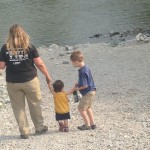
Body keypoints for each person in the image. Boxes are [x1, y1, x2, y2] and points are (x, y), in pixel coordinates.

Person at [0, 24, 52, 139]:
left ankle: (24, 131)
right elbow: (39, 64)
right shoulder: (29, 47)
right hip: (30, 80)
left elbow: (2, 66)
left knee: (18, 107)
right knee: (35, 104)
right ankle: (39, 128)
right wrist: (47, 75)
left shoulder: (5, 48)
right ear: (23, 34)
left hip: (13, 82)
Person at [70, 50, 96, 130]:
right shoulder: (86, 67)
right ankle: (92, 124)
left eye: (73, 62)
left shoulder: (82, 71)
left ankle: (87, 125)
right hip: (92, 91)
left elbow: (85, 85)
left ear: (77, 62)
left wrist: (77, 88)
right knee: (88, 108)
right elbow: (86, 81)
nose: (72, 64)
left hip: (88, 92)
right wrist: (78, 83)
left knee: (81, 108)